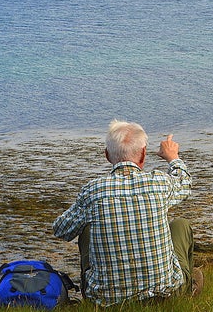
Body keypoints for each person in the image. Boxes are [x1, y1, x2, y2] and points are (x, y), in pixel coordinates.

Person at [53, 120, 201, 306]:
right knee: (181, 225)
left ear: (107, 155)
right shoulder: (159, 183)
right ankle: (186, 290)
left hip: (105, 302)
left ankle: (102, 290)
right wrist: (172, 157)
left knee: (86, 230)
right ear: (143, 154)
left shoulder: (93, 191)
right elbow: (185, 185)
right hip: (164, 296)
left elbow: (61, 230)